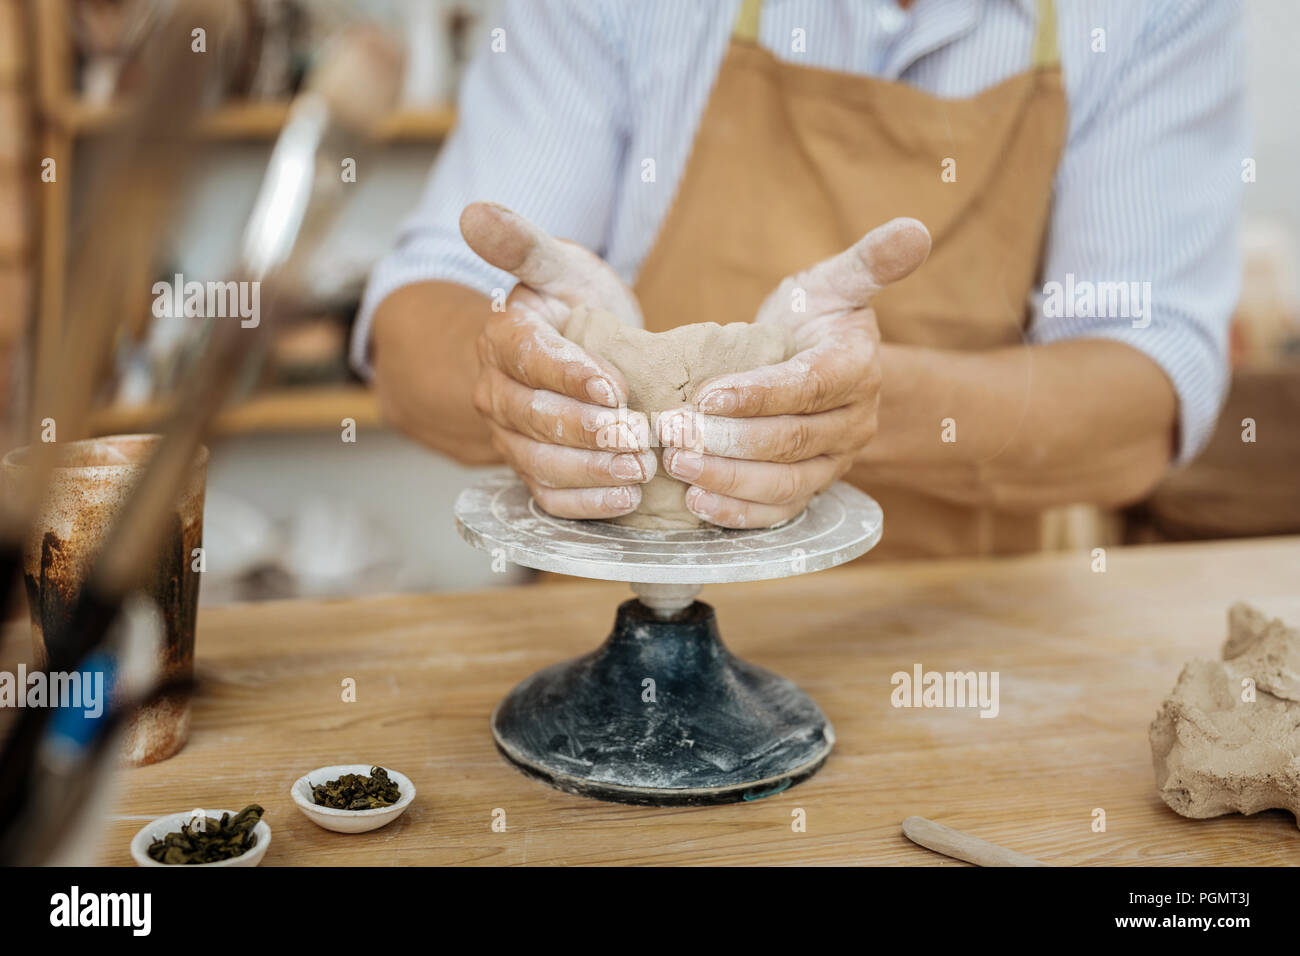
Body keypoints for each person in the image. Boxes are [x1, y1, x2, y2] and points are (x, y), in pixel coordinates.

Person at [356, 0, 1246, 559]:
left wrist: (861, 408)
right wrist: (515, 374)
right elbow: (414, 326)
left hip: (978, 638)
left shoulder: (1154, 12)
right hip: (618, 631)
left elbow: (1145, 398)